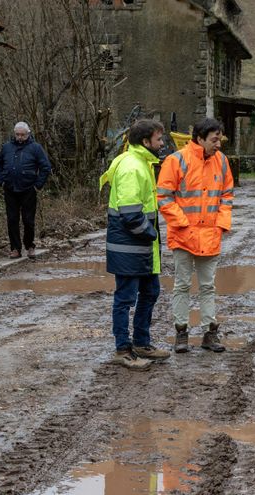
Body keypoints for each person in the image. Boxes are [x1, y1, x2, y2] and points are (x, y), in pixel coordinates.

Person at [99, 119, 171, 370]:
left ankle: (141, 343)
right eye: (159, 139)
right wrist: (151, 234)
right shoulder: (132, 167)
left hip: (140, 248)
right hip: (130, 247)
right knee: (125, 299)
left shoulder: (141, 163)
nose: (162, 144)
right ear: (145, 141)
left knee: (150, 292)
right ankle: (122, 349)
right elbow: (130, 214)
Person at [157, 118, 234, 353]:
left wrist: (220, 225)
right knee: (182, 285)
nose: (218, 144)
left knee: (208, 286)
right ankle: (181, 333)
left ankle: (210, 333)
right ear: (200, 139)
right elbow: (164, 197)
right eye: (214, 140)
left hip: (209, 236)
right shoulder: (176, 160)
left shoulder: (222, 161)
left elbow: (227, 195)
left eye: (219, 139)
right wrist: (182, 223)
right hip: (183, 236)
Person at [0, 121, 52, 259]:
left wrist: (38, 185)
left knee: (28, 220)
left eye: (22, 135)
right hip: (10, 189)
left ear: (28, 134)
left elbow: (45, 167)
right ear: (14, 134)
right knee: (12, 220)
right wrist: (1, 181)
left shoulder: (35, 148)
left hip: (28, 190)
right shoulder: (6, 147)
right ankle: (15, 248)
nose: (20, 137)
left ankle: (30, 245)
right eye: (17, 134)